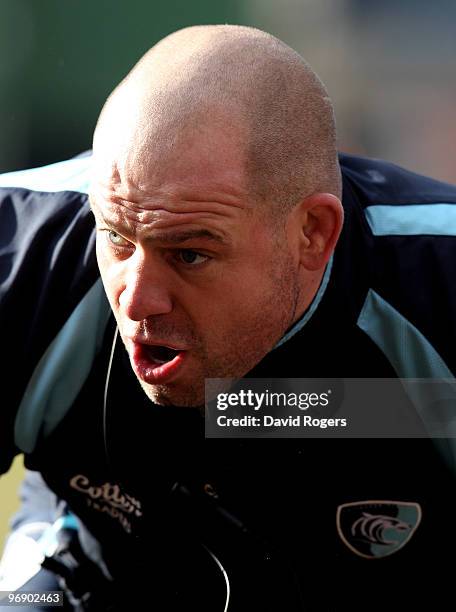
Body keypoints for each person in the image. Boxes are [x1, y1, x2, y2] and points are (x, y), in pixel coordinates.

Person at [0, 24, 455, 611]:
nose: (137, 301)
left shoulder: (436, 281)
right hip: (100, 568)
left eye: (190, 253)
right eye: (114, 237)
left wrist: (315, 410)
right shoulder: (20, 252)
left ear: (313, 234)